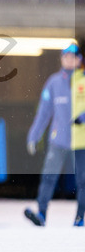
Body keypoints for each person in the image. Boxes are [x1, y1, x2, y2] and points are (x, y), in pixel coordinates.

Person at [25, 42, 85, 227]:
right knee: (48, 176)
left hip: (81, 140)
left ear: (79, 60)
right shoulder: (53, 83)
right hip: (58, 139)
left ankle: (80, 217)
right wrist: (34, 136)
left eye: (73, 57)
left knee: (82, 180)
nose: (69, 60)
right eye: (66, 57)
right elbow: (44, 112)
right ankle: (41, 213)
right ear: (61, 59)